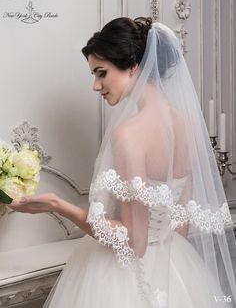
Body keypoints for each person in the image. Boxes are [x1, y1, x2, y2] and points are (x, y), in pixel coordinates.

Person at [4, 17, 236, 307]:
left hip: (125, 279)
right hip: (175, 264)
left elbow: (134, 244)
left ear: (133, 66)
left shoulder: (129, 135)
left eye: (102, 73)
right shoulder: (189, 124)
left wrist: (60, 207)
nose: (95, 85)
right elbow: (180, 226)